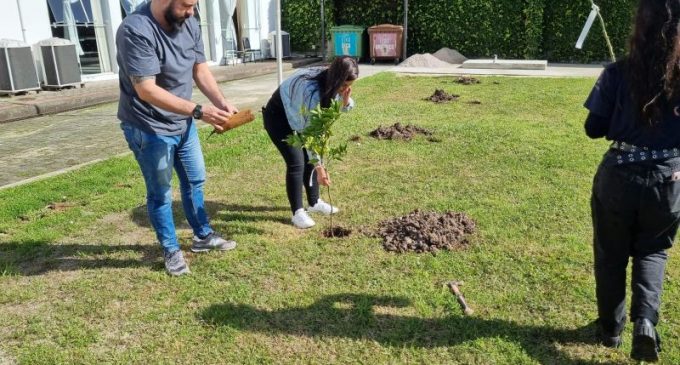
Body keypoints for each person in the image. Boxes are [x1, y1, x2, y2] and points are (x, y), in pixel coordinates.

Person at [584, 0, 680, 361]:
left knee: (610, 255)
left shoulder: (617, 73)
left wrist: (622, 120)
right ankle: (645, 324)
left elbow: (593, 128)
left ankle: (610, 329)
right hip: (667, 182)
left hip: (618, 180)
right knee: (653, 251)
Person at [116, 0, 238, 276]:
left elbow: (200, 69)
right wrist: (198, 110)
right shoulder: (135, 29)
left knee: (195, 179)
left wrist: (220, 103)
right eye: (186, 5)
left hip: (182, 123)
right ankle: (171, 250)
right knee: (160, 192)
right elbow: (147, 89)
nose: (192, 12)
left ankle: (202, 236)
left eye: (194, 6)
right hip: (148, 126)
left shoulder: (188, 22)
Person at [262, 57, 358, 228]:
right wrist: (320, 168)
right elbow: (309, 134)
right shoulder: (310, 91)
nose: (345, 89)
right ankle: (298, 213)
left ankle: (314, 203)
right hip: (278, 117)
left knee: (309, 160)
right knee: (296, 162)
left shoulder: (330, 81)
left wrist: (344, 101)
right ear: (336, 78)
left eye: (349, 85)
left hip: (298, 117)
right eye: (343, 85)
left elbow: (340, 108)